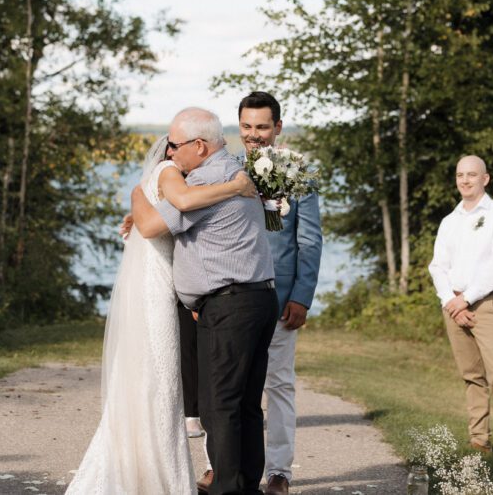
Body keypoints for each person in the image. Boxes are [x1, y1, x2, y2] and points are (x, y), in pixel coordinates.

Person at [66, 134, 256, 494]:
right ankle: (159, 478)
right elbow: (181, 203)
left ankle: (143, 468)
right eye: (176, 145)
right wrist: (235, 186)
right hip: (159, 289)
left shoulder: (154, 182)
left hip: (158, 286)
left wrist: (138, 205)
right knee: (164, 385)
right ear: (172, 149)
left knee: (150, 380)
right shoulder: (170, 172)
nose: (180, 154)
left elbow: (162, 216)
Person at [133, 108, 277, 495]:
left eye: (175, 145)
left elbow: (149, 226)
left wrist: (137, 192)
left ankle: (228, 489)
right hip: (258, 299)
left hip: (229, 306)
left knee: (219, 406)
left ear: (199, 146)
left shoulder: (202, 183)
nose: (169, 153)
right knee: (245, 404)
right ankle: (245, 486)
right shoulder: (231, 168)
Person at [189, 92, 323, 494]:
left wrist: (301, 295)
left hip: (279, 301)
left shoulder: (299, 173)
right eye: (246, 127)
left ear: (277, 128)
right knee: (223, 386)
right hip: (227, 299)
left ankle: (279, 471)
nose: (253, 135)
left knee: (278, 384)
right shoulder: (224, 171)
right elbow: (201, 231)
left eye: (262, 127)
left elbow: (310, 241)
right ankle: (219, 465)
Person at [427, 155, 493, 462]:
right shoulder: (450, 221)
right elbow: (438, 265)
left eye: (471, 175)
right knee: (471, 375)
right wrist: (450, 302)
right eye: (460, 175)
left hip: (487, 303)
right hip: (453, 305)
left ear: (485, 178)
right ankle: (479, 439)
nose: (465, 180)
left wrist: (467, 298)